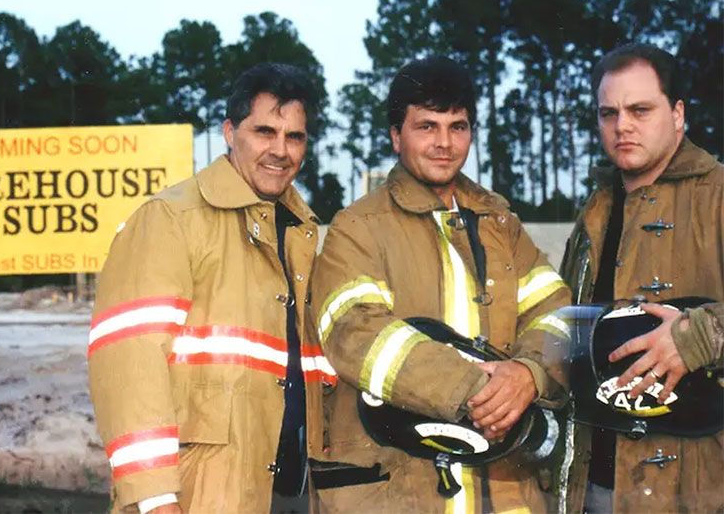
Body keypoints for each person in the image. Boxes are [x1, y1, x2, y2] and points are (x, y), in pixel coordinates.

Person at [309, 56, 571, 513]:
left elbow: (557, 316)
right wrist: (478, 391)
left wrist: (528, 374)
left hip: (507, 494)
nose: (445, 143)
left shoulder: (501, 224)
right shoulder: (358, 227)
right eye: (427, 126)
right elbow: (356, 334)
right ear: (396, 136)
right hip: (399, 493)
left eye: (458, 126)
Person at [88, 63, 335, 513]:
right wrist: (155, 498)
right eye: (264, 131)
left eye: (294, 137)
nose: (280, 150)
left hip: (296, 495)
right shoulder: (171, 219)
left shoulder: (309, 237)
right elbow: (128, 360)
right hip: (201, 493)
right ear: (228, 132)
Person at [560, 42, 724, 513]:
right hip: (594, 487)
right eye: (608, 112)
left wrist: (698, 337)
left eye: (639, 109)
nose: (622, 126)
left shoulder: (716, 197)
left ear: (677, 114)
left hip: (698, 491)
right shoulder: (595, 210)